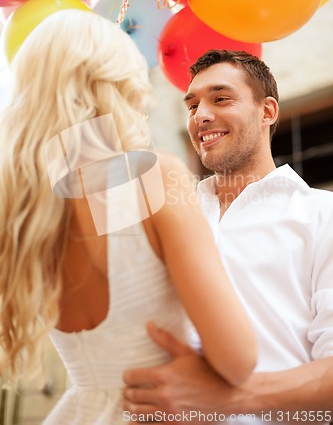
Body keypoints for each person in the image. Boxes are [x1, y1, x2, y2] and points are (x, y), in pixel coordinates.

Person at [0, 14, 257, 424]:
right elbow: (238, 359)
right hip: (164, 409)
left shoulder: (24, 210)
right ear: (118, 85)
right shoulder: (153, 177)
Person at [123, 50, 333, 424]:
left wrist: (231, 398)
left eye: (221, 98)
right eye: (192, 105)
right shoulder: (169, 215)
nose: (201, 115)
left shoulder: (323, 215)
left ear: (267, 112)